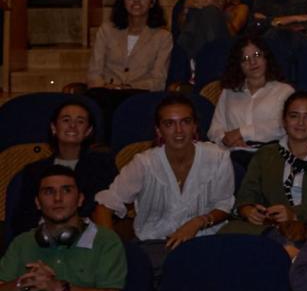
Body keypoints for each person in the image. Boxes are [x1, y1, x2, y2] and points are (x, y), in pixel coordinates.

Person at [94, 94, 234, 275]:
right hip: (156, 245)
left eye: (185, 122)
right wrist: (109, 250)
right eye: (169, 124)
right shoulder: (144, 164)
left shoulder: (218, 157)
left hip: (205, 240)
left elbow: (224, 205)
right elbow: (105, 205)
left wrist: (197, 222)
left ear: (194, 127)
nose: (178, 130)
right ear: (159, 131)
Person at [223, 91, 307, 249]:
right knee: (228, 231)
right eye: (294, 116)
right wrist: (247, 209)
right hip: (271, 228)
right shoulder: (265, 155)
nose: (301, 123)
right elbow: (247, 194)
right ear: (284, 120)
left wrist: (295, 213)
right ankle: (282, 244)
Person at [5, 100, 118, 243]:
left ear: (88, 131)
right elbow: (23, 217)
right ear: (54, 128)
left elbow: (100, 211)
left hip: (87, 241)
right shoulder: (34, 171)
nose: (72, 125)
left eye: (80, 121)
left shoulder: (103, 167)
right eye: (66, 120)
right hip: (42, 241)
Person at [85, 0, 171, 120]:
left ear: (152, 2)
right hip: (106, 93)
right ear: (123, 1)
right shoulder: (106, 30)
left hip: (139, 95)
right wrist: (107, 86)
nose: (136, 0)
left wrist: (128, 87)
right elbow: (94, 72)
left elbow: (158, 80)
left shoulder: (163, 37)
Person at [210, 35, 295, 150]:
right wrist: (225, 139)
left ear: (266, 58)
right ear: (238, 65)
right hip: (234, 154)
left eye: (256, 55)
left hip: (271, 155)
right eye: (245, 59)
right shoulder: (229, 92)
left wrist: (241, 132)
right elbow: (214, 129)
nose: (252, 62)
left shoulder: (284, 91)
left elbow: (282, 126)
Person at [171, 0, 247, 71]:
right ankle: (195, 62)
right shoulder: (196, 1)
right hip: (196, 45)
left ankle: (195, 63)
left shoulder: (240, 7)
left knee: (208, 11)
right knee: (197, 9)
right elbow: (181, 30)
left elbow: (232, 33)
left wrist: (216, 8)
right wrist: (187, 7)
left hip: (224, 53)